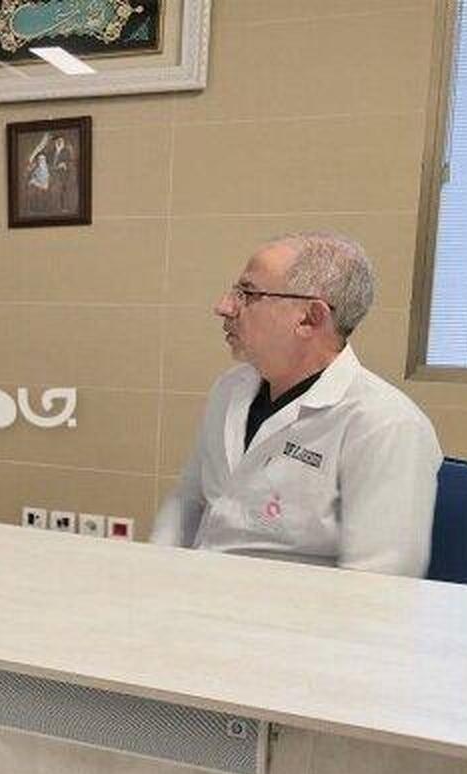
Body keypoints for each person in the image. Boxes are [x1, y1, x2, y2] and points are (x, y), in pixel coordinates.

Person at [151, 232, 441, 577]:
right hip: (200, 589)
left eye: (247, 294)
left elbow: (378, 579)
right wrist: (155, 574)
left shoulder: (385, 424)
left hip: (294, 606)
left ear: (310, 318)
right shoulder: (230, 389)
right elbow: (188, 500)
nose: (224, 306)